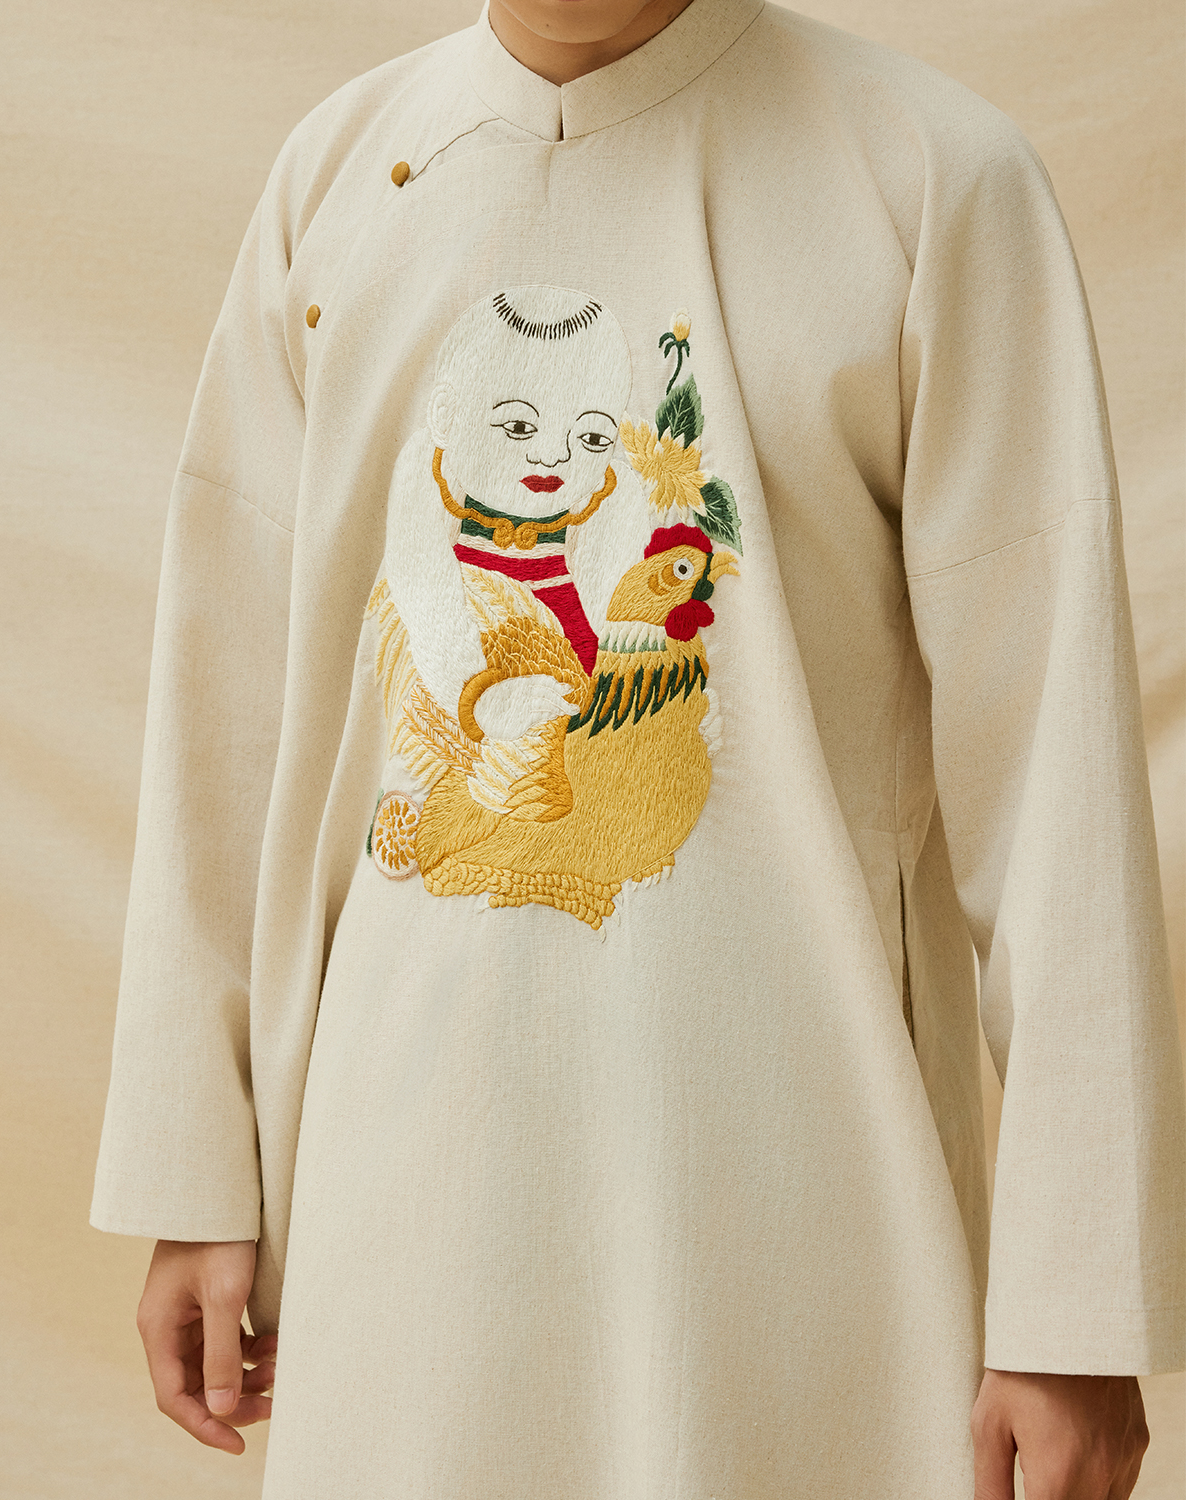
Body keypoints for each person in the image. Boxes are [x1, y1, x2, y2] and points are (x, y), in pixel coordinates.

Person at [91, 1, 1185, 1496]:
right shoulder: (335, 179)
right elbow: (232, 701)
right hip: (399, 1197)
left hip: (803, 1210)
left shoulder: (929, 177)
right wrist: (194, 1165)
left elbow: (1053, 762)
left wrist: (1074, 1311)